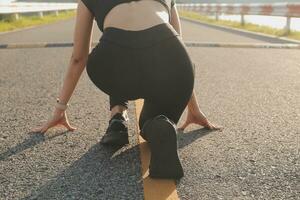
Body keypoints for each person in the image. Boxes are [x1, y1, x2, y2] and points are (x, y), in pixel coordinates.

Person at [32, 0, 222, 179]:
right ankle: (155, 126)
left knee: (119, 55)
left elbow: (78, 58)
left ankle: (117, 118)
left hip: (114, 65)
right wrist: (193, 109)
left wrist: (60, 109)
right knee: (153, 119)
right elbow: (178, 51)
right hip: (170, 59)